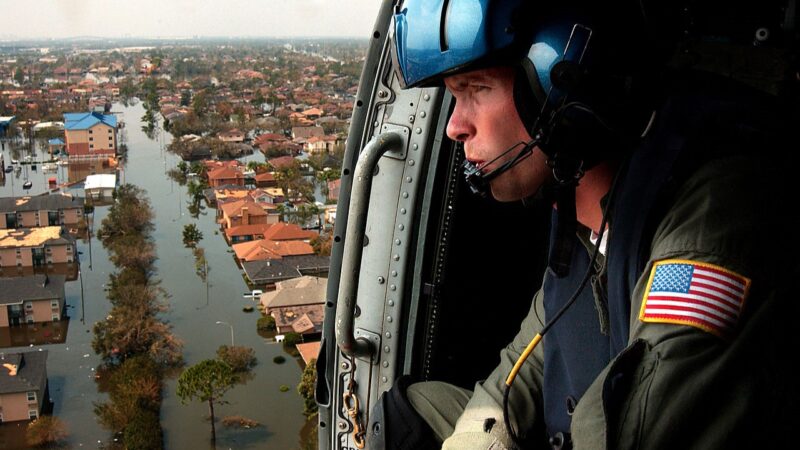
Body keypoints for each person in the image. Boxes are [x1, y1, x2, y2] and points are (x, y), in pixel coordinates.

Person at [372, 0, 800, 449]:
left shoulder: (711, 213)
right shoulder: (580, 216)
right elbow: (533, 352)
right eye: (454, 96)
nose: (454, 127)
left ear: (560, 78)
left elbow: (635, 430)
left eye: (476, 88)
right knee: (407, 417)